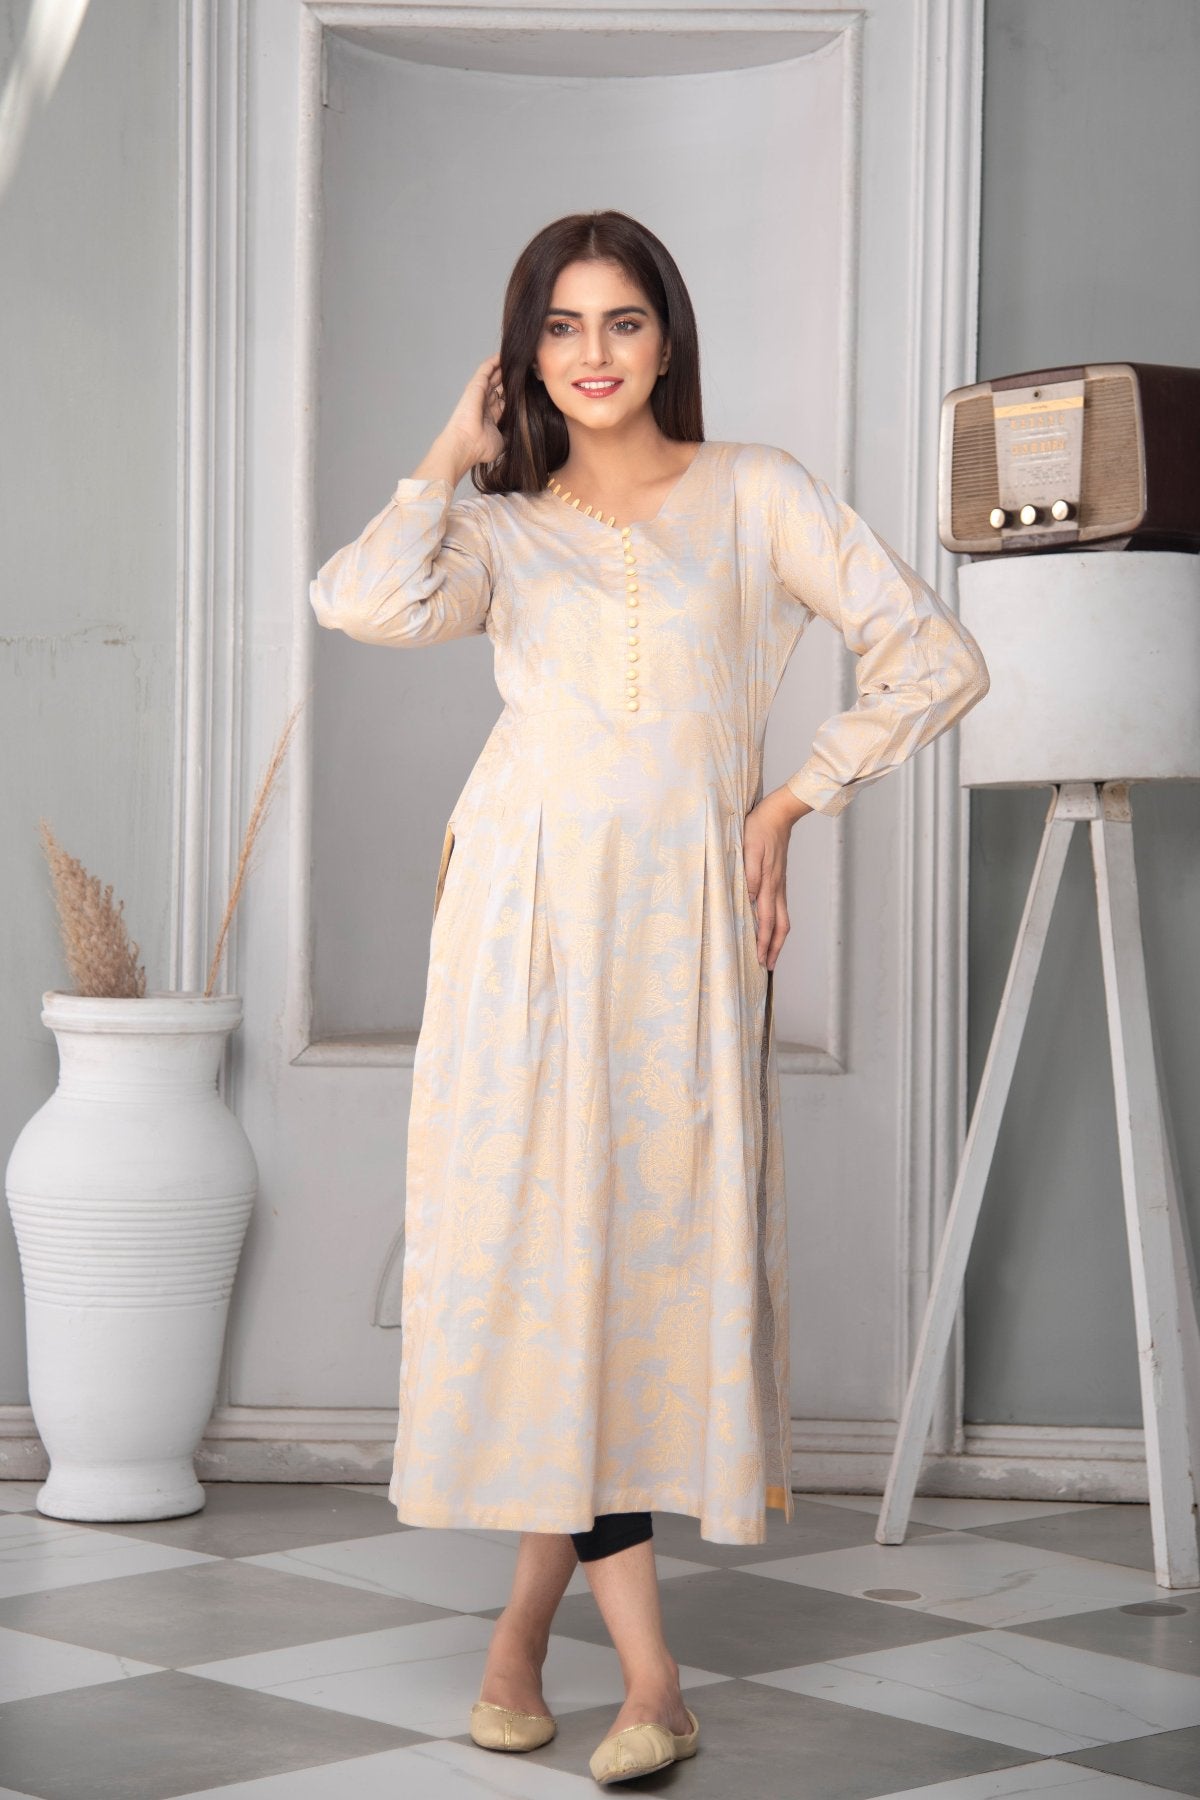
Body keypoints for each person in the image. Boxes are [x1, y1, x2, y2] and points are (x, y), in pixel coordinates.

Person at [309, 209, 990, 1786]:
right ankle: (650, 1678)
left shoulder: (757, 493)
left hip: (680, 931)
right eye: (559, 327)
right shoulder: (499, 529)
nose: (593, 353)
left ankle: (521, 1640)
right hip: (517, 926)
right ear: (521, 355)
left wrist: (790, 803)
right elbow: (358, 599)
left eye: (621, 320)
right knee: (550, 1268)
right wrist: (450, 446)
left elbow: (933, 655)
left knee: (628, 1275)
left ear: (666, 334)